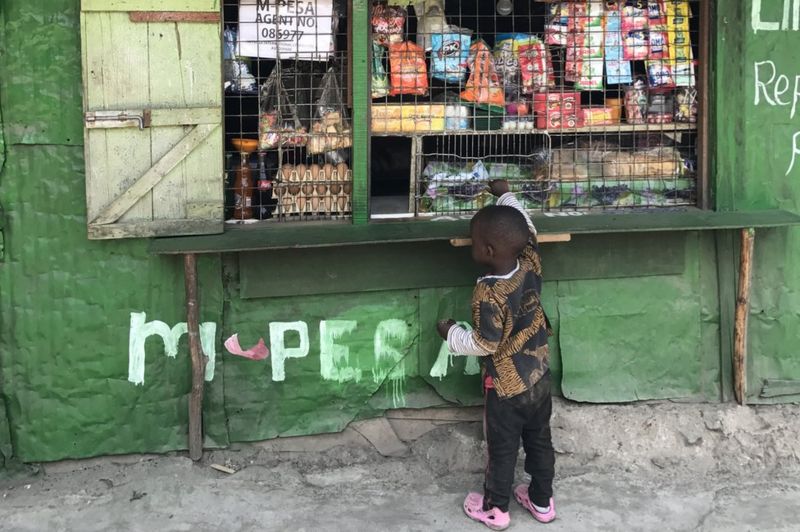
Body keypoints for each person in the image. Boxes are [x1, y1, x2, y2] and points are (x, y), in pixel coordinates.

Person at [436, 179, 555, 530]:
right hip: (539, 375)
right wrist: (506, 194)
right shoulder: (530, 261)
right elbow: (527, 229)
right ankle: (542, 501)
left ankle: (495, 508)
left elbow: (485, 343)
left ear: (487, 250)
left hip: (506, 386)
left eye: (473, 242)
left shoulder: (489, 293)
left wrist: (450, 334)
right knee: (539, 440)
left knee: (500, 449)